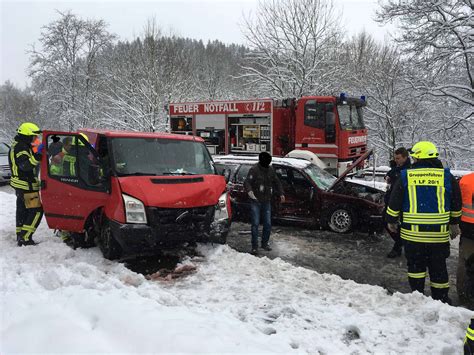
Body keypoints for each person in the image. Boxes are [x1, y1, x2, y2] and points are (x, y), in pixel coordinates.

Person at [386, 141, 462, 304]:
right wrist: (454, 223)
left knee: (416, 268)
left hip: (413, 236)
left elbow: (394, 202)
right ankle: (440, 300)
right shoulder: (446, 176)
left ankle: (417, 296)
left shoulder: (407, 175)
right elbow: (456, 203)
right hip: (438, 237)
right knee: (438, 269)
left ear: (418, 157)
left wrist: (391, 221)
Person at [8, 122, 44, 246]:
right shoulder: (21, 148)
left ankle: (20, 234)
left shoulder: (19, 145)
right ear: (27, 135)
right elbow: (25, 165)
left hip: (21, 185)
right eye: (34, 136)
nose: (36, 139)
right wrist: (38, 156)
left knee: (22, 211)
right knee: (36, 211)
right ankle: (25, 238)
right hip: (26, 185)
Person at [244, 152, 284, 255]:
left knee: (268, 224)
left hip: (266, 201)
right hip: (255, 201)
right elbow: (247, 182)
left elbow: (277, 181)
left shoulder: (270, 170)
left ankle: (265, 243)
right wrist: (250, 191)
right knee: (255, 224)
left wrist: (281, 193)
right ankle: (254, 246)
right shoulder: (254, 170)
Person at [384, 147, 411, 258]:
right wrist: (389, 174)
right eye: (395, 158)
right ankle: (400, 243)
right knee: (387, 221)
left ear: (405, 158)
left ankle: (398, 246)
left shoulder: (408, 169)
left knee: (397, 224)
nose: (396, 160)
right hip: (391, 199)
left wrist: (393, 173)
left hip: (401, 202)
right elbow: (390, 174)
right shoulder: (397, 167)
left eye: (398, 158)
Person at [457, 172, 474, 304]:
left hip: (468, 228)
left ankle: (463, 295)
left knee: (464, 261)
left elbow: (456, 202)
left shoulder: (465, 180)